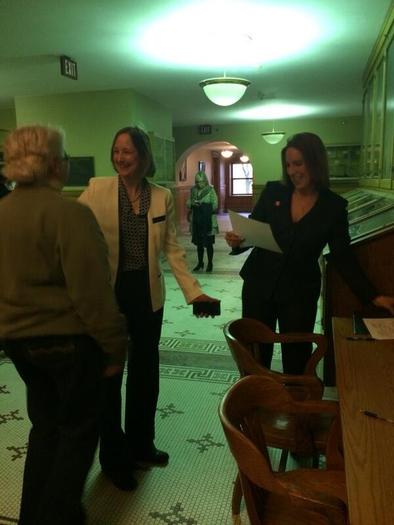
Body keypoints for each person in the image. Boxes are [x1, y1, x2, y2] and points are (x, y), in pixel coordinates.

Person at [0, 125, 128, 525]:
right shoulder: (70, 214)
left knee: (45, 429)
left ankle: (32, 516)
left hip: (18, 346)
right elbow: (92, 295)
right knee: (76, 436)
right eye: (66, 157)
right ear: (55, 164)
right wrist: (114, 348)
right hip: (69, 346)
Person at [79, 126, 219, 488]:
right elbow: (73, 230)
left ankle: (141, 444)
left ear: (143, 156)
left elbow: (172, 248)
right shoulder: (97, 190)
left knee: (145, 373)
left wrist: (194, 292)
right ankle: (113, 459)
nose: (121, 158)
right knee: (110, 376)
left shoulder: (161, 196)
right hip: (109, 295)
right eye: (117, 151)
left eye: (129, 151)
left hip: (146, 293)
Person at [225, 132, 394, 375]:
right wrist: (237, 242)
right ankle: (255, 402)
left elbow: (343, 257)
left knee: (297, 358)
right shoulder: (274, 192)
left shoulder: (334, 207)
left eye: (299, 163)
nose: (293, 171)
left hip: (299, 293)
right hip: (258, 285)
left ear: (315, 162)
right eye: (288, 165)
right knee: (254, 355)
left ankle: (296, 408)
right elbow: (253, 232)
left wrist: (373, 297)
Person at [187, 171, 219, 272]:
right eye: (197, 182)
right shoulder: (193, 190)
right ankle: (200, 263)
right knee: (199, 244)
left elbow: (215, 205)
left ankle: (210, 263)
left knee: (209, 244)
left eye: (201, 182)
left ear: (205, 181)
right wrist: (192, 203)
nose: (198, 184)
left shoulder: (210, 190)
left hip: (208, 221)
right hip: (197, 220)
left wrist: (203, 205)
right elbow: (188, 202)